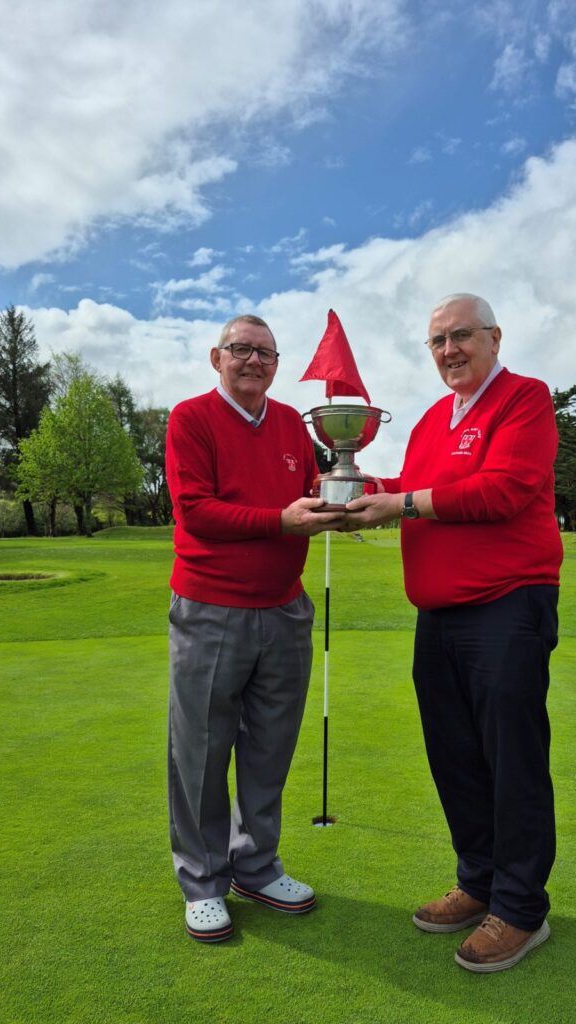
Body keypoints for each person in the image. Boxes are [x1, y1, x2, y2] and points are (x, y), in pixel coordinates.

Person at [345, 293, 563, 973]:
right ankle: (479, 883)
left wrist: (400, 502)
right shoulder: (433, 420)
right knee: (456, 756)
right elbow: (411, 486)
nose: (448, 351)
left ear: (495, 337)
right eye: (436, 341)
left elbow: (504, 489)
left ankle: (522, 909)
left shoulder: (524, 399)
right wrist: (353, 486)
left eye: (461, 336)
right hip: (437, 614)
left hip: (507, 604)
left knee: (511, 759)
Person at [165, 314, 343, 943]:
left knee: (270, 747)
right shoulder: (191, 418)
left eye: (266, 352)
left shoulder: (294, 421)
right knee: (203, 752)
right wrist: (281, 521)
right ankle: (204, 881)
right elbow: (195, 510)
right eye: (240, 349)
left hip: (285, 608)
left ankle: (256, 867)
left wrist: (341, 496)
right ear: (217, 357)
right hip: (212, 608)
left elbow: (307, 492)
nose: (254, 361)